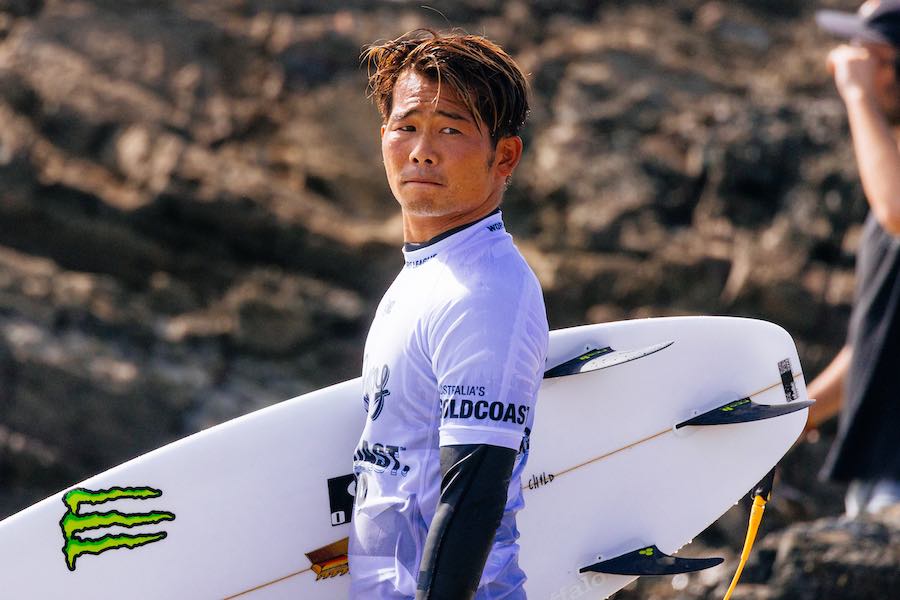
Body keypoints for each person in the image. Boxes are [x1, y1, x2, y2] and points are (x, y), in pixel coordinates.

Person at [349, 30, 549, 599]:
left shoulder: (484, 291)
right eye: (407, 126)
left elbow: (472, 498)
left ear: (504, 156)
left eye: (451, 130)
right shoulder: (424, 276)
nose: (421, 150)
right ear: (383, 137)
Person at [807, 0, 900, 518]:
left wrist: (858, 95)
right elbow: (876, 342)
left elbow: (897, 212)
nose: (850, 62)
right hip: (876, 473)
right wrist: (799, 417)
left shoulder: (891, 199)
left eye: (872, 55)